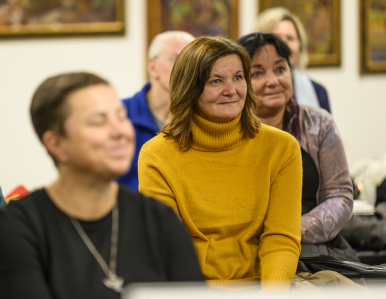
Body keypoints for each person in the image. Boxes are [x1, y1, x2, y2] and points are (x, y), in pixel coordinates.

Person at [0, 72, 204, 299]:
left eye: (121, 117)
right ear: (56, 144)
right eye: (98, 122)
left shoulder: (160, 220)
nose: (120, 132)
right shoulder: (19, 227)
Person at [138, 36, 303, 292]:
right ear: (190, 88)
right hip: (193, 290)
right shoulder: (156, 155)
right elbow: (167, 247)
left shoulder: (281, 148)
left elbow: (280, 240)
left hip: (265, 289)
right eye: (216, 81)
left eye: (238, 77)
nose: (232, 90)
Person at [238, 33, 354, 259]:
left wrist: (297, 228)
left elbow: (340, 195)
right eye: (257, 73)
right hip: (247, 250)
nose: (273, 81)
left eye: (280, 69)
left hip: (314, 247)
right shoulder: (228, 131)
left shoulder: (319, 123)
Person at [117, 31, 195, 190]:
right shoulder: (120, 115)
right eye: (176, 58)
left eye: (193, 61)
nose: (187, 68)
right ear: (152, 67)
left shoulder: (205, 119)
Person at [253, 7, 331, 113]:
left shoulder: (319, 92)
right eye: (276, 38)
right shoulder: (244, 89)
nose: (285, 45)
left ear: (300, 45)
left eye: (290, 38)